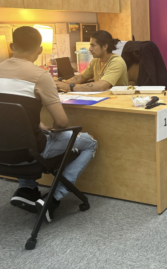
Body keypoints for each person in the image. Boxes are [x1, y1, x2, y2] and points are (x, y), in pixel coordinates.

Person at [0, 26, 97, 222]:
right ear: (39, 50)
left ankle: (27, 189)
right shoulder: (40, 76)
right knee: (89, 143)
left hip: (3, 149)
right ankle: (54, 197)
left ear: (11, 46)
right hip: (31, 150)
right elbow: (61, 122)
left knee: (25, 137)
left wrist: (34, 125)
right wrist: (48, 128)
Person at [55, 30, 128, 92]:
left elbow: (102, 86)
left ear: (105, 46)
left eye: (93, 45)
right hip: (102, 99)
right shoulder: (96, 60)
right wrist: (61, 83)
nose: (90, 49)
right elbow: (82, 77)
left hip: (117, 102)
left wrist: (69, 87)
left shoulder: (116, 62)